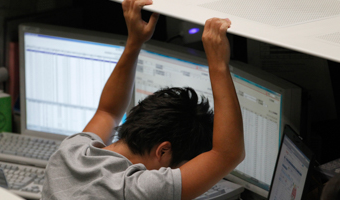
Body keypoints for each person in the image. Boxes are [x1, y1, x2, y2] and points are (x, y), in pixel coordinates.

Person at [41, 0, 245, 199]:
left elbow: (108, 112)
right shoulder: (137, 189)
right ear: (163, 151)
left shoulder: (70, 151)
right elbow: (227, 154)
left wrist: (134, 41)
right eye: (177, 167)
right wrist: (219, 65)